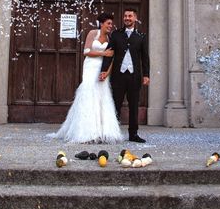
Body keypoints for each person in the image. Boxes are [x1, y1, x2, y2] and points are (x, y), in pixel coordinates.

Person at [50, 13, 123, 144]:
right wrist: (102, 53)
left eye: (111, 24)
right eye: (108, 23)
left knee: (102, 95)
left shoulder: (110, 37)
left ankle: (103, 131)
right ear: (102, 24)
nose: (110, 26)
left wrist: (106, 72)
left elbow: (112, 56)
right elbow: (86, 51)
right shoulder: (93, 33)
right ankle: (87, 132)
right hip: (90, 67)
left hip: (102, 68)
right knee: (89, 94)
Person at [99, 8, 150, 143]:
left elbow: (145, 57)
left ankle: (133, 134)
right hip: (118, 76)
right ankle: (112, 133)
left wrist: (146, 75)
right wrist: (104, 70)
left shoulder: (141, 36)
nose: (127, 18)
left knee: (134, 106)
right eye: (125, 16)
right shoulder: (116, 34)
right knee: (116, 104)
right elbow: (109, 53)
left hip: (134, 76)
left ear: (135, 18)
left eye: (130, 16)